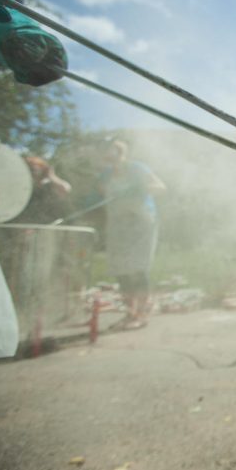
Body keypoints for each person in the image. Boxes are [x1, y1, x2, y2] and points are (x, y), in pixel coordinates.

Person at [98, 139, 165, 329]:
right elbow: (103, 196)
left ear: (121, 152)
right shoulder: (106, 175)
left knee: (138, 267)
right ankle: (130, 313)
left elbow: (161, 187)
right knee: (121, 270)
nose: (109, 155)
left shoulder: (137, 168)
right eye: (105, 151)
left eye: (112, 151)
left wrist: (141, 189)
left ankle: (142, 314)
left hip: (142, 222)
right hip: (118, 225)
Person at [9, 156, 72, 224]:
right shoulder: (20, 188)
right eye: (30, 170)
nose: (34, 173)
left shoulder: (48, 186)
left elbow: (65, 189)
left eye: (36, 169)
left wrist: (51, 176)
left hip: (45, 227)